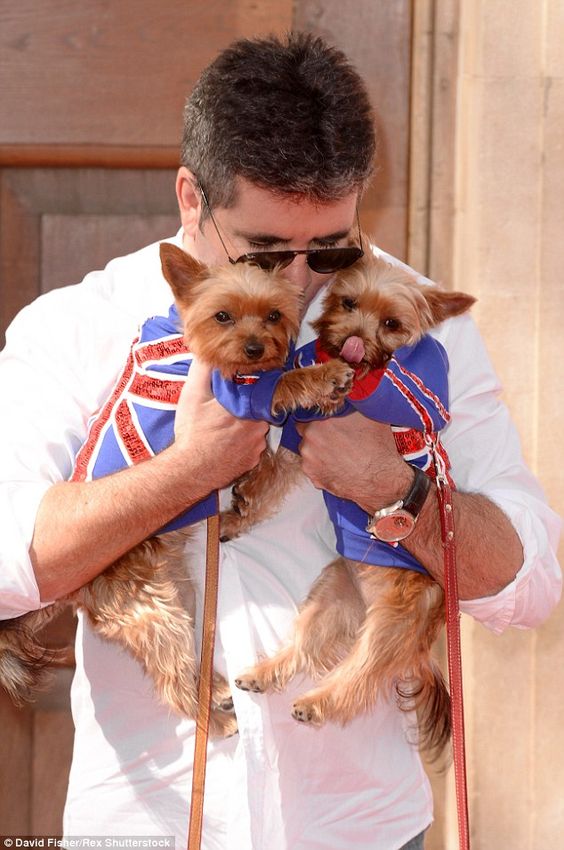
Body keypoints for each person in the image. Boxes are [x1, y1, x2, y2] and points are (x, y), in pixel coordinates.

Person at [0, 32, 560, 850]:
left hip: (363, 828)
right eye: (265, 251)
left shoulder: (411, 327)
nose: (300, 285)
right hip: (144, 823)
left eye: (331, 248)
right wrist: (191, 469)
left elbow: (527, 582)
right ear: (191, 197)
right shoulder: (76, 328)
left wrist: (392, 487)